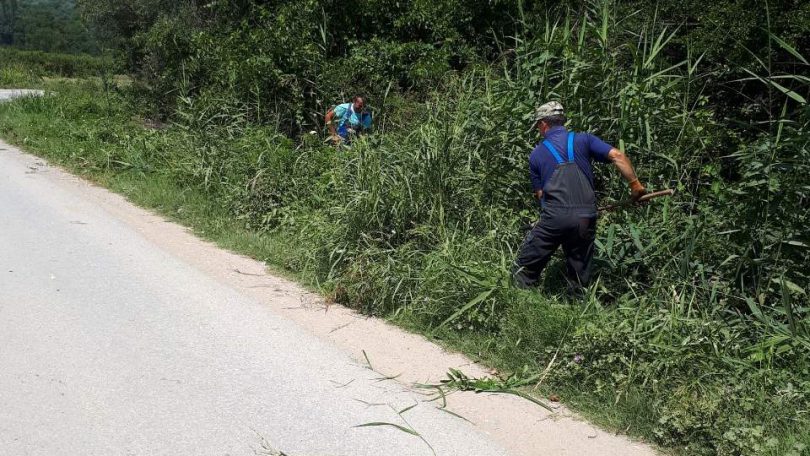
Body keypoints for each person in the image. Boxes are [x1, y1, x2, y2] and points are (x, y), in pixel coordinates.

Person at [514, 101, 647, 291]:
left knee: (523, 269)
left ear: (543, 124)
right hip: (585, 216)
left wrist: (546, 220)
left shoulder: (537, 154)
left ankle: (519, 303)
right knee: (578, 274)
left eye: (537, 126)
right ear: (561, 121)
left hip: (555, 217)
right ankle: (575, 305)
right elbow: (618, 156)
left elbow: (541, 194)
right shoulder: (584, 139)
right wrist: (635, 185)